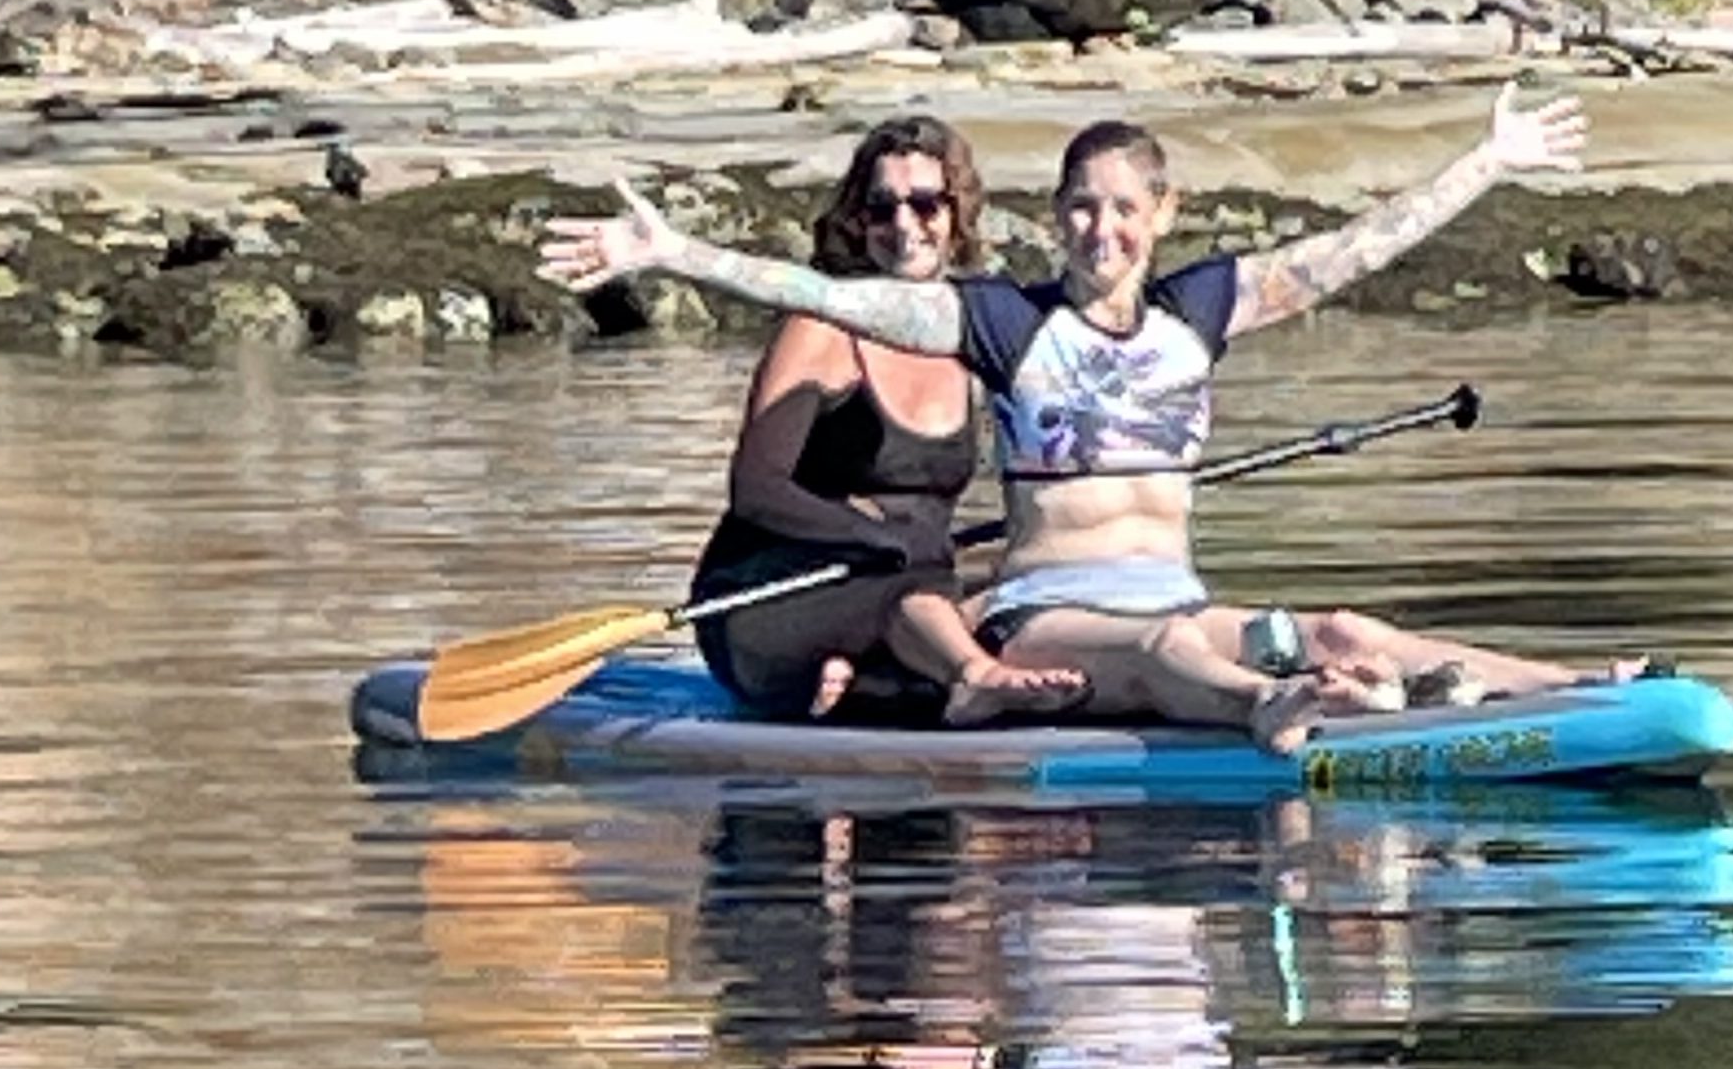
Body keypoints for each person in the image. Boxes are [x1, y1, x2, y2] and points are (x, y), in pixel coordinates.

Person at [543, 85, 1621, 747]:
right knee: (1159, 648)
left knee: (1336, 629)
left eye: (1122, 209)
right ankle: (1275, 709)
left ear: (1162, 216)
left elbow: (1354, 251)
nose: (1101, 229)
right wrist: (673, 253)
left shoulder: (1203, 309)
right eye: (1080, 207)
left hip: (1176, 597)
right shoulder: (1003, 322)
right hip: (1050, 612)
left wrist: (1488, 161)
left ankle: (1577, 686)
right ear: (1056, 217)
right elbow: (829, 295)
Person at [683, 112, 1086, 730]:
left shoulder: (972, 335)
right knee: (915, 594)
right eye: (881, 208)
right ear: (857, 220)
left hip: (911, 586)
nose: (903, 227)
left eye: (925, 204)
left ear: (956, 215)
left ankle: (870, 683)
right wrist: (876, 538)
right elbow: (756, 490)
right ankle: (974, 679)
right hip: (773, 596)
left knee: (1042, 569)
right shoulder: (820, 329)